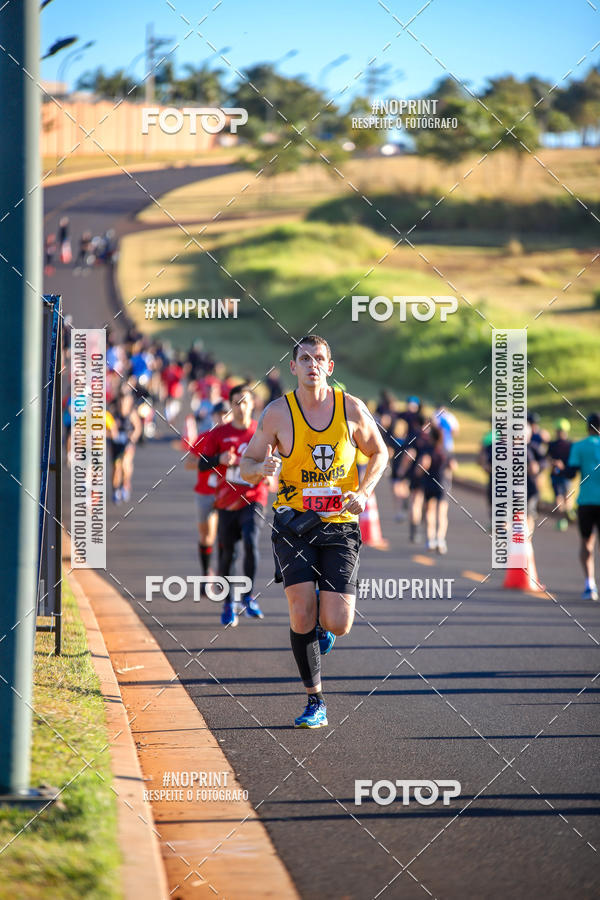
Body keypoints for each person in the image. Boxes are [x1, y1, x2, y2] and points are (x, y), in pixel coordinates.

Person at [240, 334, 388, 729]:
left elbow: (380, 452)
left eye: (319, 358)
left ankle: (325, 624)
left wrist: (364, 490)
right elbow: (247, 464)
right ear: (293, 367)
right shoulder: (276, 413)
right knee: (300, 610)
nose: (312, 365)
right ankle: (315, 700)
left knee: (338, 621)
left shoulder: (351, 409)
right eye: (304, 359)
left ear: (330, 366)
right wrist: (261, 470)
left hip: (339, 525)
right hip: (294, 524)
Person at [199, 383, 269, 625]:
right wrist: (219, 458)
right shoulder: (219, 433)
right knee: (228, 553)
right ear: (231, 406)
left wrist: (269, 471)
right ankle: (229, 602)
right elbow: (201, 464)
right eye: (237, 402)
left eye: (246, 401)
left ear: (254, 404)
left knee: (250, 541)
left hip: (254, 498)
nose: (242, 407)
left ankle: (248, 597)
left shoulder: (261, 433)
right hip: (226, 501)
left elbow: (276, 460)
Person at [185, 401, 230, 585]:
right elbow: (189, 463)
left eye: (226, 414)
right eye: (219, 414)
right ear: (213, 416)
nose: (222, 418)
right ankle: (206, 573)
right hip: (204, 491)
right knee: (206, 535)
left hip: (226, 492)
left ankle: (221, 573)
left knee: (224, 534)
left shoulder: (234, 439)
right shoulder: (204, 437)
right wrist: (212, 461)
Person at [568, 413, 600, 601]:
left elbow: (571, 473)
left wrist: (558, 468)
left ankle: (590, 584)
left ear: (587, 427)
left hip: (586, 502)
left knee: (586, 544)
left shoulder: (579, 446)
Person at [420, 423, 456, 554]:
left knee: (429, 512)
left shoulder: (427, 449)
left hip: (429, 483)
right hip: (443, 484)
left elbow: (424, 464)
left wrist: (419, 473)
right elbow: (453, 466)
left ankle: (430, 540)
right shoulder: (446, 451)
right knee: (442, 514)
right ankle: (441, 540)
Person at [108, 389, 142, 503]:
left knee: (125, 464)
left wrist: (132, 437)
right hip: (115, 442)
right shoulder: (113, 411)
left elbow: (138, 428)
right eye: (121, 399)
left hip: (127, 442)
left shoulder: (132, 412)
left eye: (125, 400)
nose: (123, 402)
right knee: (116, 467)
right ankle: (115, 489)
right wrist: (111, 434)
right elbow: (106, 426)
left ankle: (125, 484)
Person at [548, 419, 575, 530]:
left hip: (566, 475)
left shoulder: (571, 445)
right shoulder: (552, 445)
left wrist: (564, 466)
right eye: (559, 431)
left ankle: (568, 514)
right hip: (555, 475)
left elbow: (573, 460)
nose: (560, 433)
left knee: (567, 497)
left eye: (562, 431)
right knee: (558, 499)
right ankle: (562, 520)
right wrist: (553, 463)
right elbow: (548, 458)